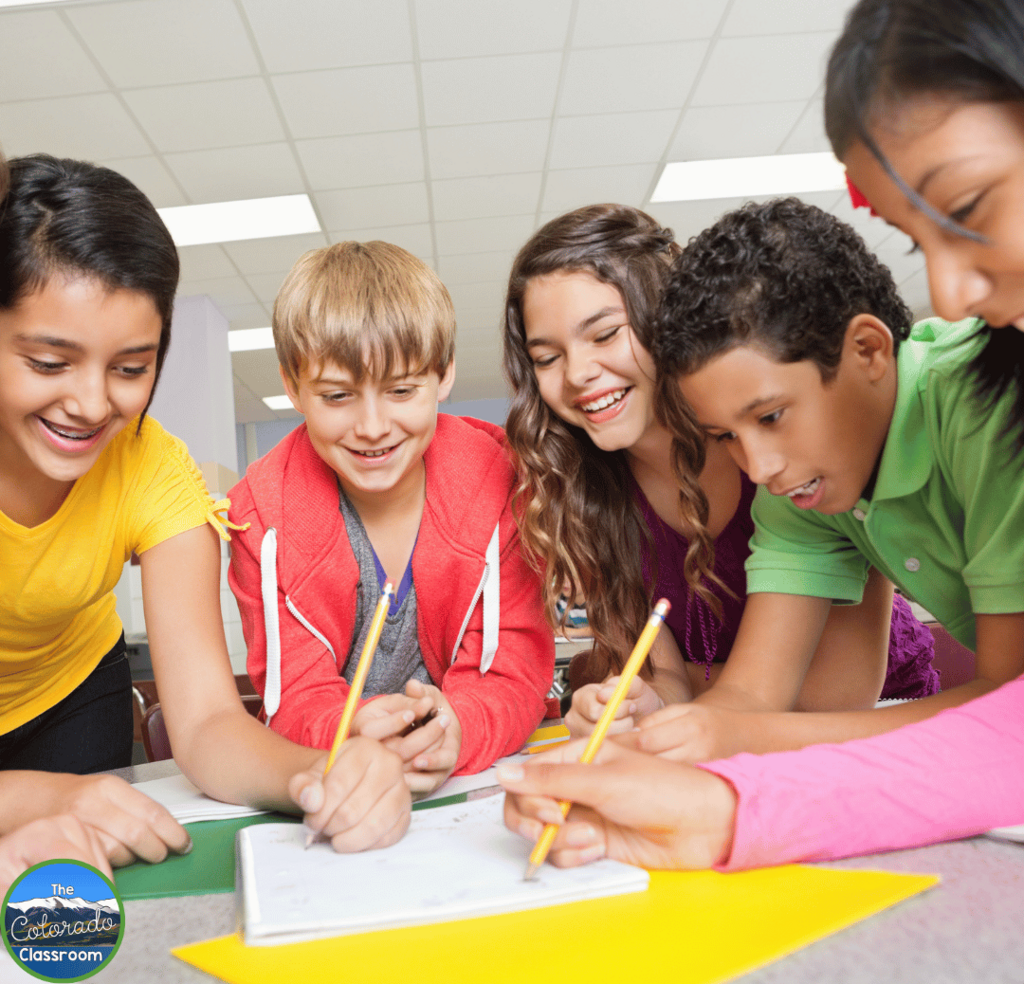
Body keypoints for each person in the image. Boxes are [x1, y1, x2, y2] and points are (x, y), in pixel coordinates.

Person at [502, 0, 1024, 870]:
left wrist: (730, 778)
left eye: (971, 207)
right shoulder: (806, 481)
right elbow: (749, 702)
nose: (947, 291)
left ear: (866, 351)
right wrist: (683, 748)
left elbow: (1001, 703)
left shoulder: (983, 405)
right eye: (917, 238)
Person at [0, 154, 410, 860]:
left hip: (69, 701)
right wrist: (46, 796)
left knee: (66, 913)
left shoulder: (154, 469)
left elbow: (210, 722)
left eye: (131, 368)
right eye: (49, 363)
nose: (94, 404)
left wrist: (318, 774)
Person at [502, 203, 937, 743]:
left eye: (605, 334)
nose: (578, 372)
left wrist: (693, 684)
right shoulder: (582, 493)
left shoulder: (798, 454)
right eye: (546, 357)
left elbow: (831, 699)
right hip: (733, 731)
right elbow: (671, 680)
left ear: (671, 324)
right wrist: (647, 699)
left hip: (880, 723)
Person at [227, 241, 554, 797]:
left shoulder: (507, 485)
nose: (373, 426)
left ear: (444, 374)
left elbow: (512, 675)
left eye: (402, 390)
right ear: (292, 387)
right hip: (342, 785)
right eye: (337, 396)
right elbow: (294, 696)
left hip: (471, 789)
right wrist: (350, 730)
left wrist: (458, 728)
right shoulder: (261, 516)